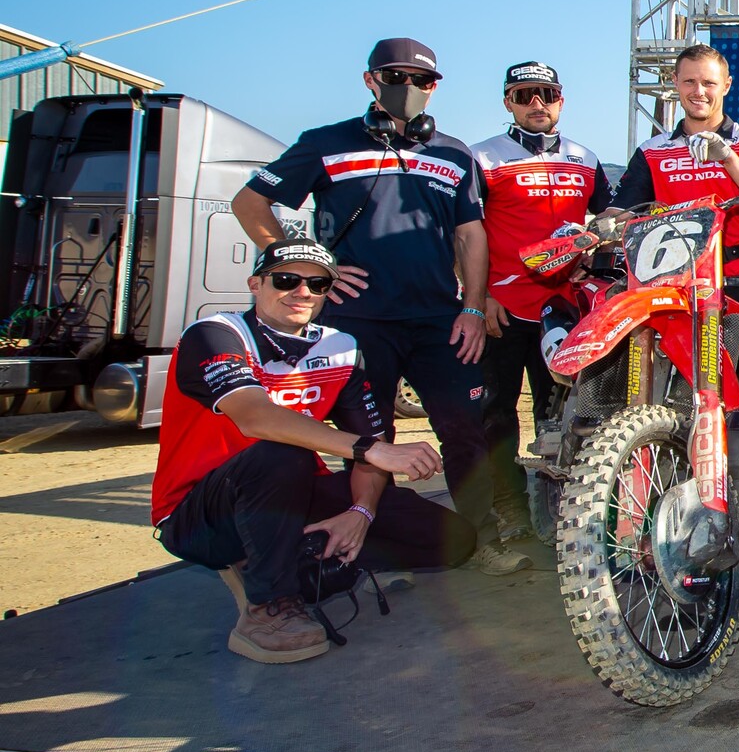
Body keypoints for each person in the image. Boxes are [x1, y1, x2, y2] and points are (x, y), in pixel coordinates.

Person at [231, 37, 523, 576]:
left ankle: (484, 541)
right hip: (357, 322)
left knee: (466, 430)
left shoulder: (455, 154)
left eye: (422, 80)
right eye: (396, 76)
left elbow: (470, 235)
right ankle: (370, 542)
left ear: (434, 88)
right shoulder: (324, 143)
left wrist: (472, 308)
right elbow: (249, 202)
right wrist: (312, 267)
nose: (409, 87)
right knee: (370, 439)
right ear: (371, 80)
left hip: (440, 321)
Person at [152, 241, 474, 664]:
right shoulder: (215, 334)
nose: (302, 292)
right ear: (255, 284)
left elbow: (369, 442)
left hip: (293, 494)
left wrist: (360, 513)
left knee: (452, 539)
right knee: (284, 453)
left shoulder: (340, 347)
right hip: (200, 511)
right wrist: (369, 450)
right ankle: (266, 608)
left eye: (318, 284)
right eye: (286, 280)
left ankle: (303, 563)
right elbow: (255, 418)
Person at [611, 44, 739, 550]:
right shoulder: (653, 150)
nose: (699, 91)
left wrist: (728, 158)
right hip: (675, 292)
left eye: (709, 83)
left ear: (726, 86)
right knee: (668, 402)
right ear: (676, 85)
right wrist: (603, 222)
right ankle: (666, 505)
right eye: (690, 82)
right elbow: (620, 212)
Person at [469, 61, 609, 538]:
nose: (536, 103)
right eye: (524, 94)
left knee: (562, 415)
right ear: (507, 102)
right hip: (504, 307)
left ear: (560, 100)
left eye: (546, 94)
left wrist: (596, 251)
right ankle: (509, 511)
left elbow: (608, 217)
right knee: (496, 415)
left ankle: (562, 511)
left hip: (566, 308)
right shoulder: (482, 157)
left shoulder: (585, 158)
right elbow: (463, 234)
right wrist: (480, 296)